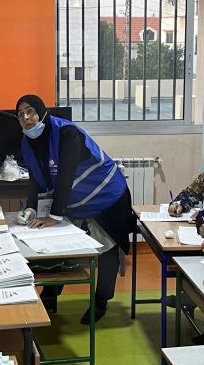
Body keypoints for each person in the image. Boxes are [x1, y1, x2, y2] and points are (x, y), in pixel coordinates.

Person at [17, 94, 133, 324]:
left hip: (106, 194)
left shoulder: (65, 132)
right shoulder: (26, 141)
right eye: (20, 115)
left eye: (30, 111)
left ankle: (101, 302)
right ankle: (50, 297)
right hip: (75, 200)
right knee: (56, 245)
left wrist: (53, 216)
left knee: (107, 249)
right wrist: (30, 208)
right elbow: (35, 178)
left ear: (41, 111)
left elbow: (66, 175)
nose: (26, 117)